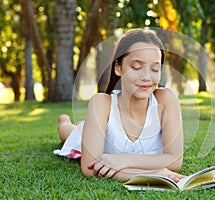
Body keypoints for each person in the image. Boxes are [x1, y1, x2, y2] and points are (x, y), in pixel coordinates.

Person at [54, 28, 184, 182]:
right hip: (89, 132)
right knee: (70, 133)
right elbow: (89, 167)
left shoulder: (166, 99)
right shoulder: (101, 103)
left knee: (84, 128)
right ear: (118, 67)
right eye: (136, 67)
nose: (147, 77)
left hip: (98, 130)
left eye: (155, 69)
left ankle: (80, 125)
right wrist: (149, 174)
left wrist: (125, 160)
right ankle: (64, 121)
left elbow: (175, 160)